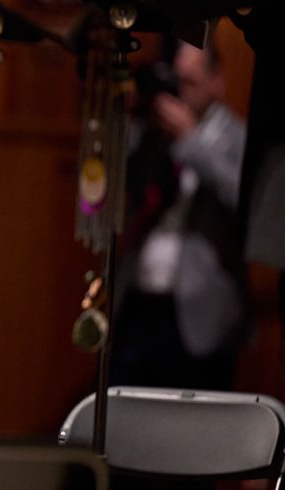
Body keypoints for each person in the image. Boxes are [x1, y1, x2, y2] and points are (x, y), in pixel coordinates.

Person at [111, 39, 249, 391]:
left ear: (216, 81)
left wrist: (191, 141)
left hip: (199, 315)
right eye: (176, 81)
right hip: (139, 301)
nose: (180, 93)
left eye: (190, 83)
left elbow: (243, 198)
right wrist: (132, 116)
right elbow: (120, 181)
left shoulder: (238, 138)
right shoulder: (156, 134)